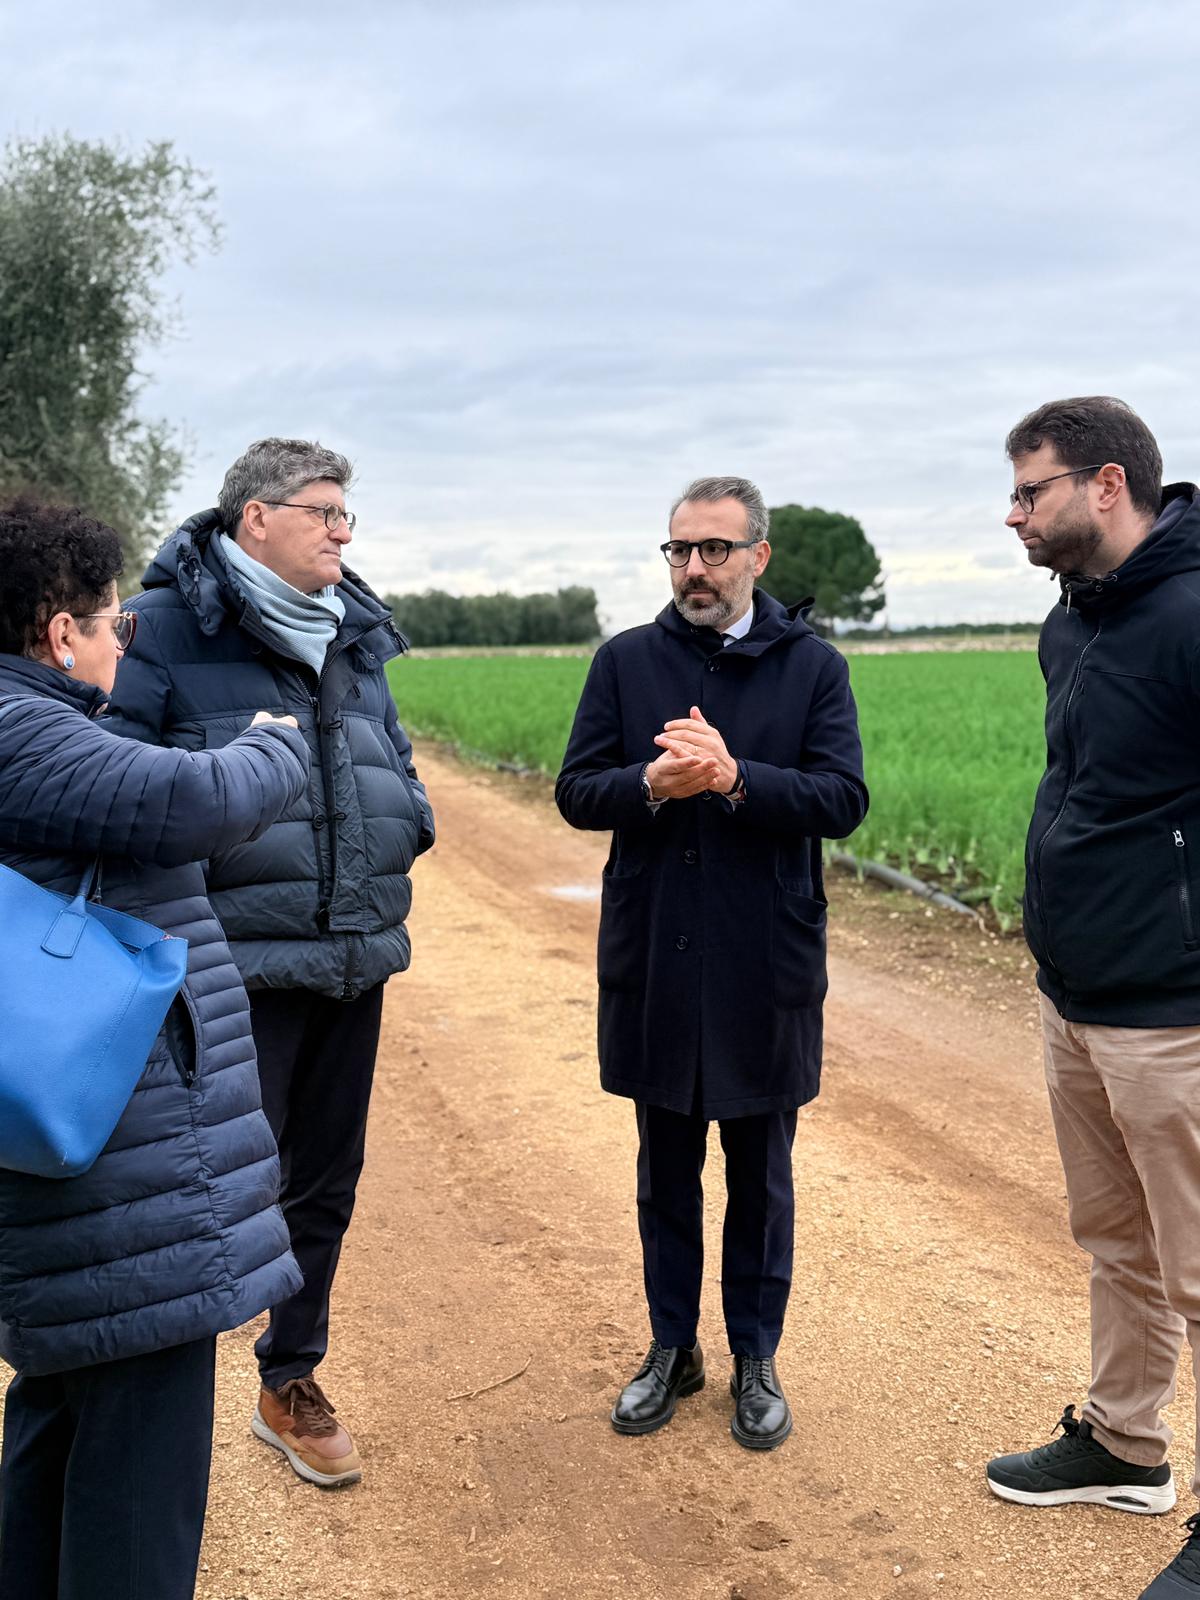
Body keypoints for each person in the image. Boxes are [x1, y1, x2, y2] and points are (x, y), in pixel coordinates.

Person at [104, 438, 435, 1488]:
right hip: (224, 966)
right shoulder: (161, 629)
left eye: (347, 514)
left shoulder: (353, 631)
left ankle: (289, 1377)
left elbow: (394, 758)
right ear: (256, 517)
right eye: (323, 512)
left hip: (352, 953)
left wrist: (410, 819)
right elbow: (117, 784)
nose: (343, 531)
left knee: (324, 1183)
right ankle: (153, 1402)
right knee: (205, 1187)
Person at [0, 497, 309, 1600]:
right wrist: (275, 746)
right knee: (136, 1486)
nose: (122, 647)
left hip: (91, 1183)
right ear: (61, 633)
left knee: (59, 1426)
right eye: (113, 625)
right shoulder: (19, 727)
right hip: (120, 1190)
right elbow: (188, 802)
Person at [555, 475, 867, 1450]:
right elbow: (576, 791)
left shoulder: (813, 668)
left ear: (757, 557)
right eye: (681, 549)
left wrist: (736, 779)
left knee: (761, 1177)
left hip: (763, 961)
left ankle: (756, 1358)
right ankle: (671, 1348)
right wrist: (650, 783)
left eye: (715, 550)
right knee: (666, 1170)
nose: (695, 567)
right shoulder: (625, 661)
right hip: (656, 952)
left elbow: (842, 800)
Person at [985, 397, 1200, 1599]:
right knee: (1115, 1237)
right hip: (1076, 993)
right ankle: (1125, 1442)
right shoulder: (1072, 620)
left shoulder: (1191, 613)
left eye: (1032, 490)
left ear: (1106, 484)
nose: (1014, 513)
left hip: (1177, 1010)